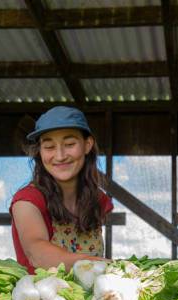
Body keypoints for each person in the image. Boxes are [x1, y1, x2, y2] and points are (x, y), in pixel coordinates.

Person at [10, 106, 112, 273]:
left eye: (70, 144)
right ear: (40, 151)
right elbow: (37, 253)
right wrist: (104, 265)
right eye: (49, 147)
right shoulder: (27, 200)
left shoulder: (98, 199)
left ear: (87, 145)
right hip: (41, 298)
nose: (60, 156)